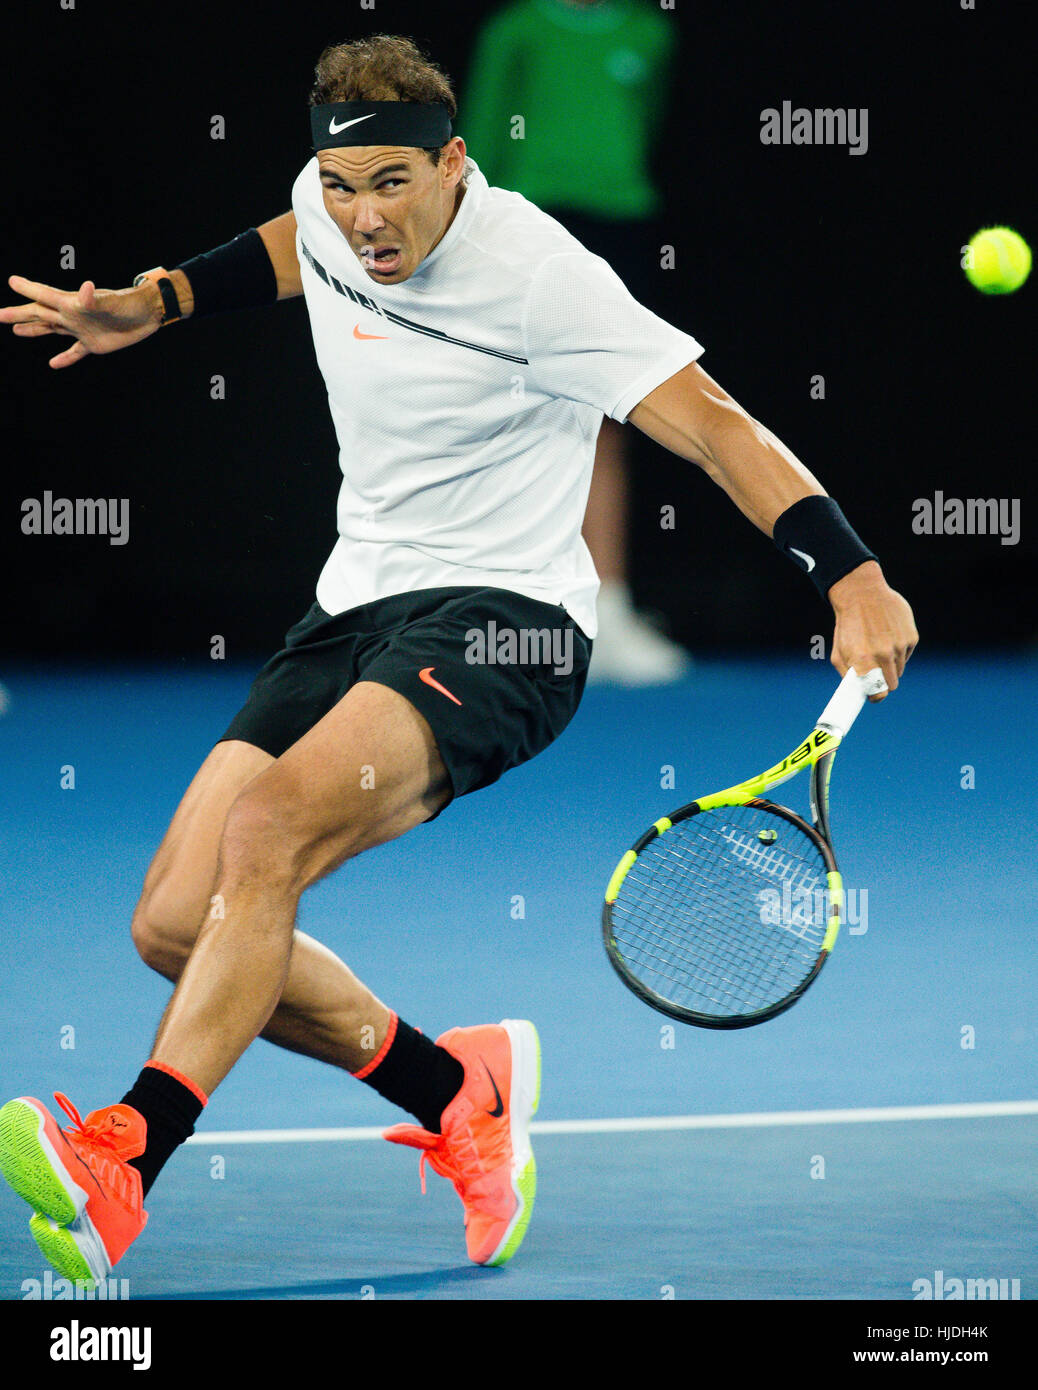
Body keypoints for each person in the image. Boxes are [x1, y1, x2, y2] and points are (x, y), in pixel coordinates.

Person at [0, 34, 917, 1288]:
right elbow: (287, 247)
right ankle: (459, 1090)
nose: (363, 218)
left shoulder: (543, 275)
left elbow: (711, 424)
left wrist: (852, 572)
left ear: (456, 165)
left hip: (507, 624)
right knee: (173, 920)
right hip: (354, 607)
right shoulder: (328, 212)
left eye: (392, 185)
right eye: (340, 184)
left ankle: (125, 1154)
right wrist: (151, 304)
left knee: (264, 833)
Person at [463, 0, 689, 684]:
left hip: (618, 225)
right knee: (501, 414)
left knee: (606, 418)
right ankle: (486, 620)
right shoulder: (515, 30)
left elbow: (644, 123)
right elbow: (473, 143)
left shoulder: (650, 33)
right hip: (526, 225)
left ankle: (604, 616)